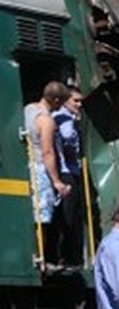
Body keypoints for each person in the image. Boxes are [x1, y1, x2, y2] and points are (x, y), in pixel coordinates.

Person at [24, 81, 72, 268]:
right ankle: (41, 257)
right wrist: (57, 181)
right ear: (56, 100)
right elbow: (47, 152)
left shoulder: (28, 109)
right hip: (40, 170)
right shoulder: (47, 120)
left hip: (27, 166)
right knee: (43, 216)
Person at [51, 87, 85, 266]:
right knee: (68, 215)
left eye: (81, 101)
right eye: (75, 101)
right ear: (65, 101)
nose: (79, 104)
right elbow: (67, 138)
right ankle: (66, 256)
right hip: (67, 171)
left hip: (70, 170)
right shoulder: (64, 118)